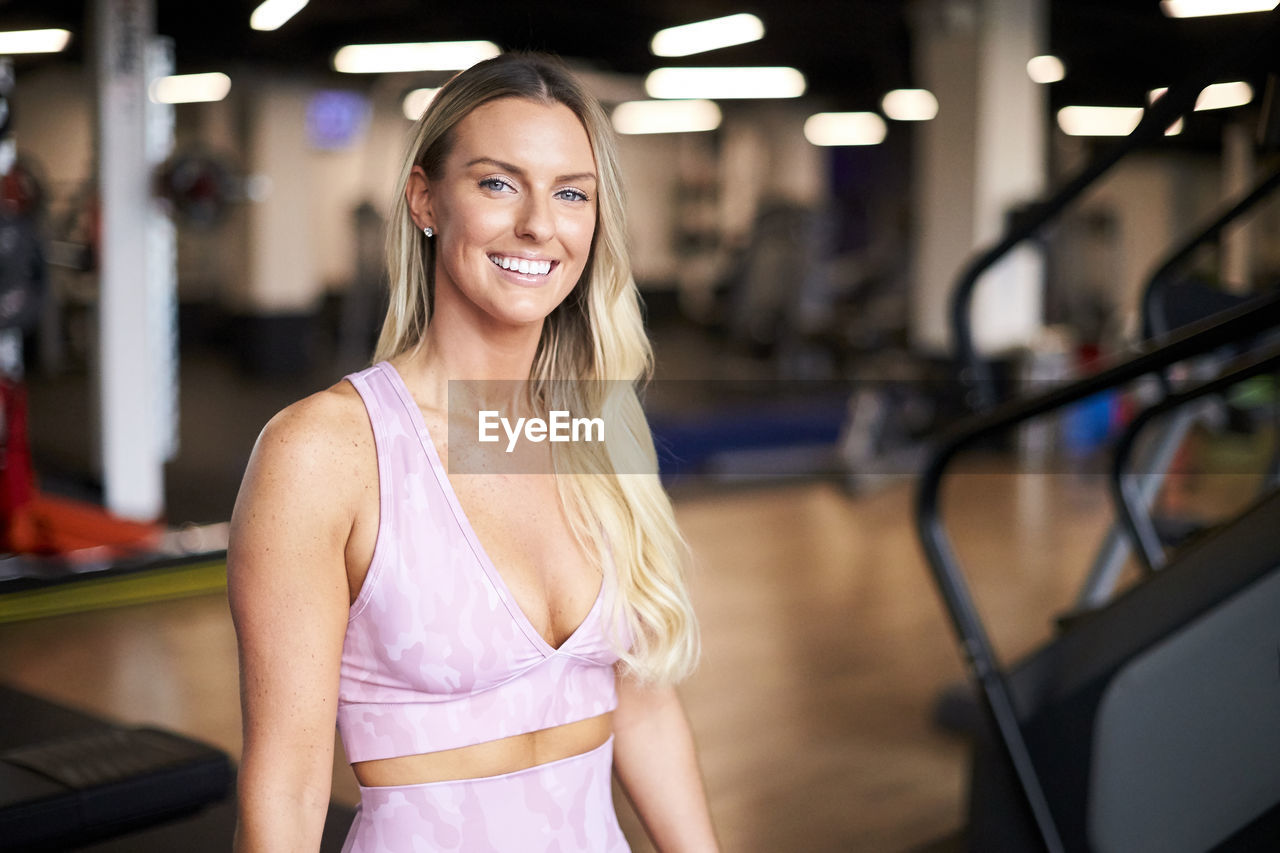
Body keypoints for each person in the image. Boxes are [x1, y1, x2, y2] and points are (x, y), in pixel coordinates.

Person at [228, 52, 719, 852]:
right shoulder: (325, 451)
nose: (539, 224)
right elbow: (286, 786)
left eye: (570, 193)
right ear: (424, 197)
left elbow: (643, 699)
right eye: (497, 183)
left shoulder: (594, 430)